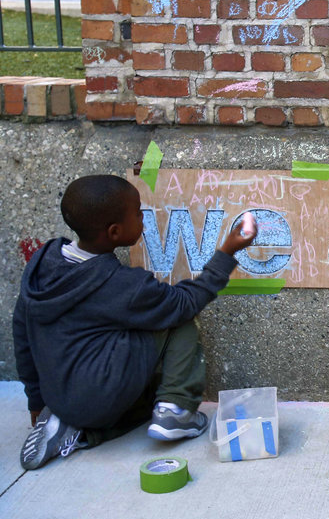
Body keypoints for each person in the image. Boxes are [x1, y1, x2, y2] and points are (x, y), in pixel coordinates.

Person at [14, 175, 257, 470]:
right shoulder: (122, 286)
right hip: (99, 393)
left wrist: (36, 401)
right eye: (139, 213)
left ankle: (75, 430)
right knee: (175, 318)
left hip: (60, 395)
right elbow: (184, 304)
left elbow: (22, 333)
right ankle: (176, 410)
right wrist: (226, 252)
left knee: (145, 393)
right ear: (115, 232)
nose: (145, 218)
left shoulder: (42, 265)